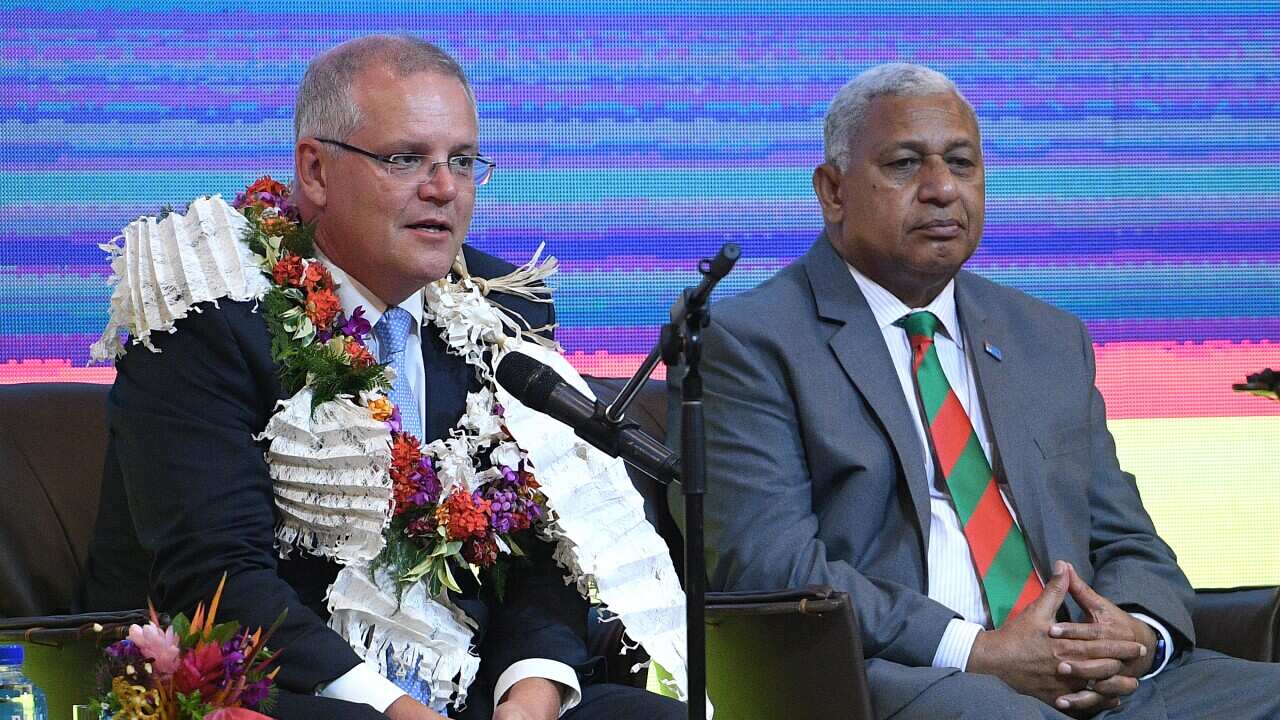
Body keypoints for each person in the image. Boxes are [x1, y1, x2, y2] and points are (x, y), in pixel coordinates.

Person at [80, 35, 685, 720]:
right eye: (406, 159)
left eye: (462, 161)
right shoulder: (209, 309)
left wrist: (530, 693)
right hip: (290, 687)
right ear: (315, 170)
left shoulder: (502, 309)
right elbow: (218, 578)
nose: (444, 188)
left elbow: (547, 548)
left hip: (473, 688)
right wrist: (396, 710)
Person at [691, 63, 1280, 719]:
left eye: (961, 163)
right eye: (905, 164)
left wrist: (1135, 634)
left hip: (1096, 677)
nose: (942, 189)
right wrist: (976, 650)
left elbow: (1129, 541)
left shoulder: (1047, 337)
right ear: (833, 191)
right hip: (914, 675)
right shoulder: (752, 340)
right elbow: (771, 566)